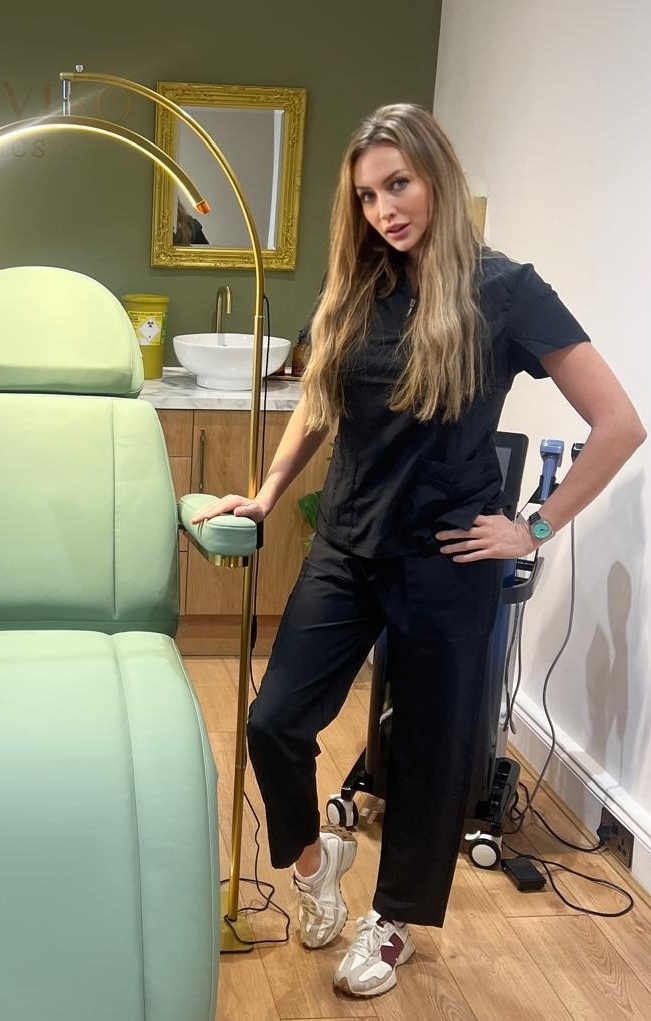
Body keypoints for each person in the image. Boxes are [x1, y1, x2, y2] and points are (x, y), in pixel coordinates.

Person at [191, 104, 645, 997]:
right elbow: (321, 403)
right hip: (346, 543)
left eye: (397, 184)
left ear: (435, 174)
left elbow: (619, 423)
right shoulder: (357, 285)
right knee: (274, 720)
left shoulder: (504, 289)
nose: (383, 210)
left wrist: (534, 526)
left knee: (432, 754)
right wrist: (269, 489)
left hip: (447, 557)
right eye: (367, 196)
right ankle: (314, 862)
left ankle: (392, 919)